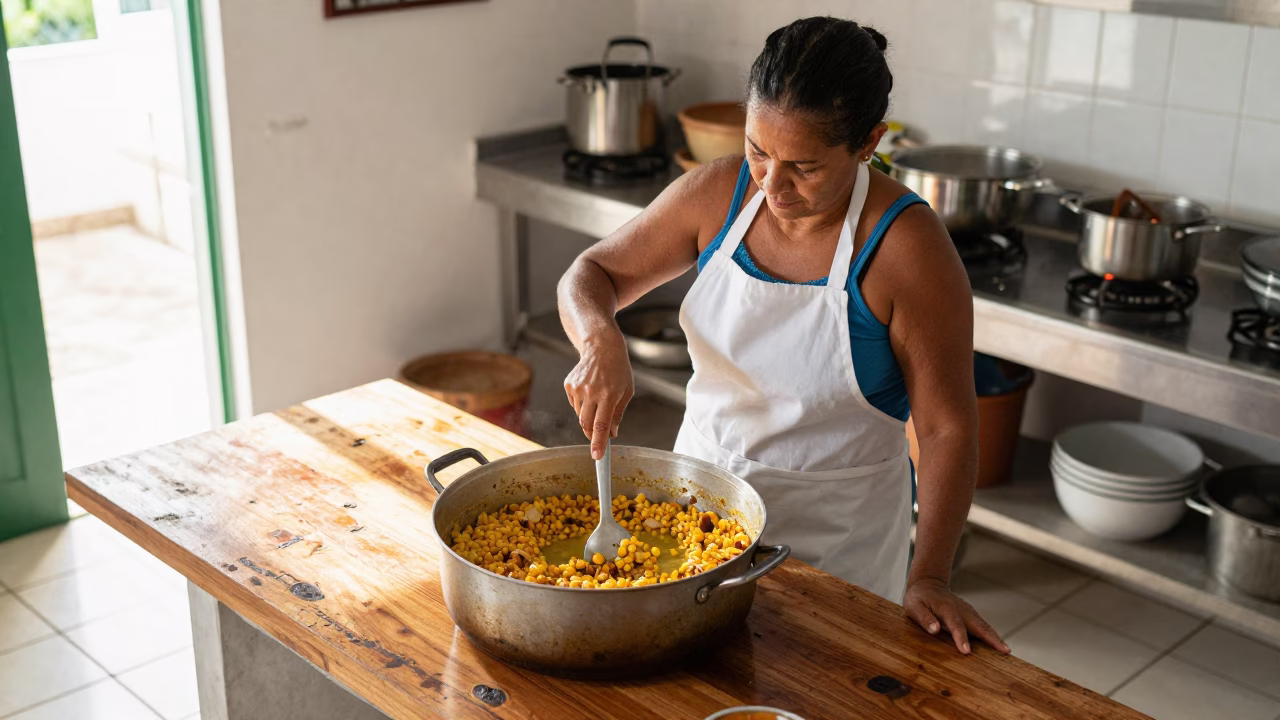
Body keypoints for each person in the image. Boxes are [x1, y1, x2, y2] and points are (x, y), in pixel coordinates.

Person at [556, 17, 1007, 656]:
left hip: (837, 542)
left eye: (803, 167)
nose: (771, 185)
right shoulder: (717, 194)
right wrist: (600, 339)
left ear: (869, 143)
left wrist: (930, 574)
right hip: (696, 512)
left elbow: (945, 429)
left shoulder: (906, 248)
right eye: (758, 151)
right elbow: (591, 273)